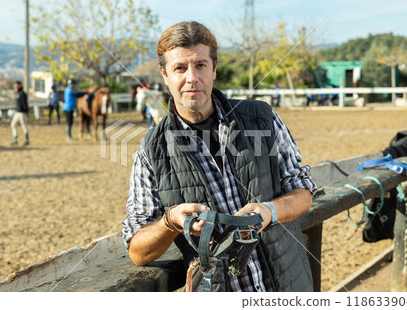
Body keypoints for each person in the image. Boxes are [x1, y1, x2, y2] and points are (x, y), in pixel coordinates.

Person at [122, 21, 317, 292]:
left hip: (288, 288)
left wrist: (269, 212)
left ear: (214, 68)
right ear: (164, 74)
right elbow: (138, 252)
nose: (192, 78)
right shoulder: (150, 152)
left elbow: (303, 191)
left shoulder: (262, 118)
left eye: (200, 65)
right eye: (180, 68)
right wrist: (171, 221)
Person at [10, 81, 29, 146]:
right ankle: (15, 139)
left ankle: (27, 140)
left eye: (15, 85)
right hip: (17, 112)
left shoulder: (22, 93)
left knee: (24, 125)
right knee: (13, 124)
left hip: (22, 112)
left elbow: (25, 104)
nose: (14, 86)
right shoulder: (17, 93)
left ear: (19, 85)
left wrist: (26, 112)